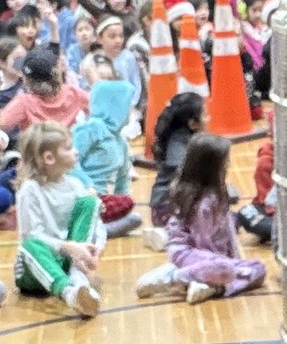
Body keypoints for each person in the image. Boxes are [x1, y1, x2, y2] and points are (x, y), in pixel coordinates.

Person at [135, 133, 266, 302]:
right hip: (190, 254)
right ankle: (173, 277)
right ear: (211, 166)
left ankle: (213, 285)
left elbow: (229, 233)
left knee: (258, 268)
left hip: (213, 260)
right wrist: (225, 264)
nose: (228, 165)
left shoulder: (217, 193)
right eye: (224, 161)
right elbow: (204, 244)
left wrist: (236, 260)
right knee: (224, 268)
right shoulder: (203, 203)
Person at [14, 120, 106, 317]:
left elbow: (96, 225)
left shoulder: (74, 185)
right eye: (68, 148)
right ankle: (70, 293)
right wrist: (68, 247)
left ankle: (79, 281)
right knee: (30, 244)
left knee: (91, 203)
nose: (76, 151)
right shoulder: (30, 190)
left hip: (66, 260)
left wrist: (94, 249)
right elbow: (32, 237)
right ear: (49, 158)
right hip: (35, 269)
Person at [72, 78, 142, 238]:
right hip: (80, 194)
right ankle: (96, 228)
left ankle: (96, 228)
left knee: (129, 209)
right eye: (127, 105)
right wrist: (88, 186)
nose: (130, 109)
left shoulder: (121, 141)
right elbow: (70, 163)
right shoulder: (91, 129)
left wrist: (122, 201)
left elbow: (123, 178)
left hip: (101, 200)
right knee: (88, 204)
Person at [145, 92, 206, 251]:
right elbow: (181, 181)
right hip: (168, 210)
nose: (209, 118)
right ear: (193, 123)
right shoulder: (179, 148)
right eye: (205, 115)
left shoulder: (185, 139)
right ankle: (170, 235)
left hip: (168, 208)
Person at [0, 47, 89, 134]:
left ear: (27, 79)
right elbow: (100, 107)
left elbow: (2, 124)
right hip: (70, 147)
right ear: (57, 72)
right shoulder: (74, 92)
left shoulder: (24, 102)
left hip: (38, 148)